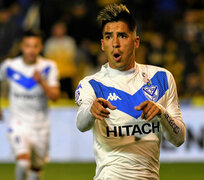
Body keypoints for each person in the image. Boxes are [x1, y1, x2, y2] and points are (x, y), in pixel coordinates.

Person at [75, 3, 186, 180]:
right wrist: (91, 110)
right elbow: (81, 124)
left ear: (136, 41)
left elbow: (179, 138)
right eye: (109, 37)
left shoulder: (162, 78)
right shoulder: (92, 84)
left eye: (122, 36)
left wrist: (161, 113)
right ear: (103, 44)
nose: (116, 44)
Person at [0, 30, 60, 180]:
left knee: (35, 169)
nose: (31, 50)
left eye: (35, 46)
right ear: (22, 46)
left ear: (40, 48)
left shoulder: (49, 67)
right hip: (18, 123)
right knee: (22, 163)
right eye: (28, 46)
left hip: (41, 126)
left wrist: (41, 82)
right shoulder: (9, 66)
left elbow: (55, 96)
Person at [44, 21, 77, 99]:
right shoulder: (49, 42)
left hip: (67, 73)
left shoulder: (69, 41)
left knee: (70, 94)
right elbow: (47, 58)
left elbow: (71, 57)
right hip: (54, 73)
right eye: (56, 29)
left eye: (60, 29)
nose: (58, 31)